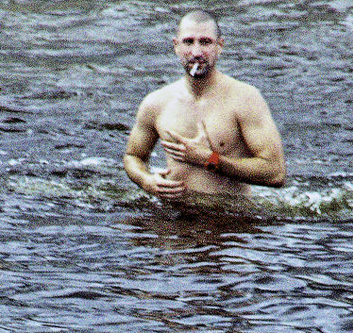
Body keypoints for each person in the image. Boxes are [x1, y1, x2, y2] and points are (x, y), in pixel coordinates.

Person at [123, 10, 287, 202]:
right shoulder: (156, 103)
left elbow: (275, 173)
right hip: (173, 218)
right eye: (188, 42)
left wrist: (210, 160)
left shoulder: (245, 99)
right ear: (176, 46)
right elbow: (133, 156)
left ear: (220, 46)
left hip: (228, 221)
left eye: (205, 42)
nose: (196, 52)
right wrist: (146, 181)